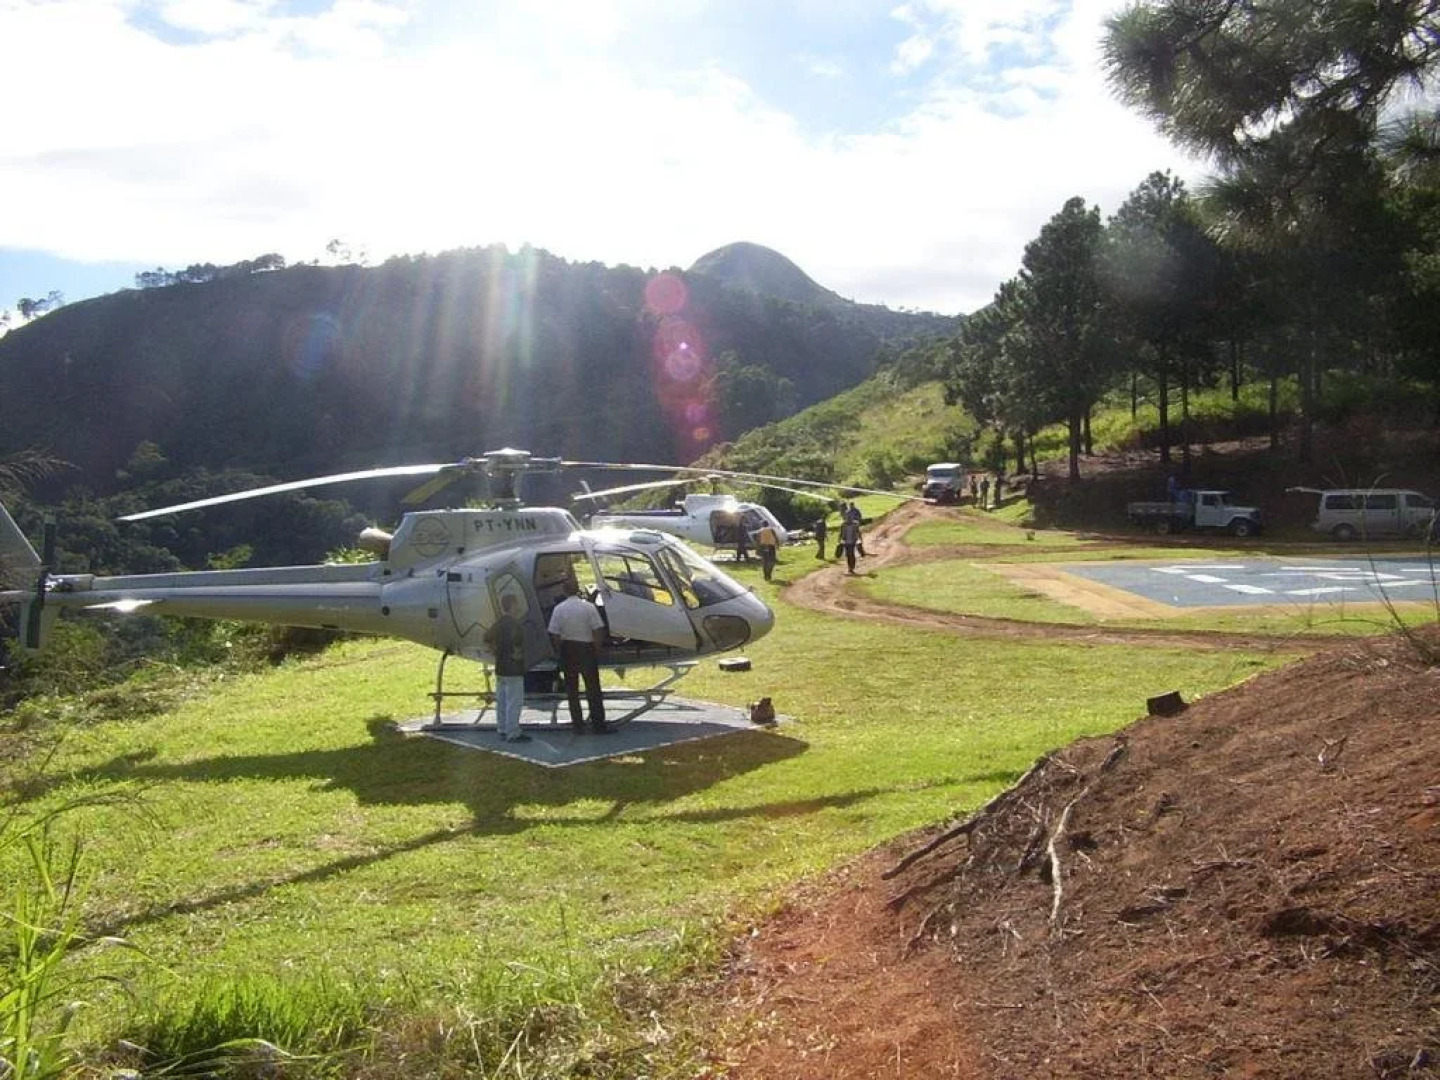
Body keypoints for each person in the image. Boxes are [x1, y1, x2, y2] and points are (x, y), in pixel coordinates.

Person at [546, 578, 610, 734]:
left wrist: (559, 649)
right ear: (578, 590)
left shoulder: (559, 609)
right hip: (586, 647)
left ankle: (578, 725)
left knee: (572, 690)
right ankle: (598, 724)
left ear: (564, 591)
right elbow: (598, 629)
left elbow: (554, 632)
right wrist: (596, 648)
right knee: (593, 689)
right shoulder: (588, 607)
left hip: (568, 648)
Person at [484, 593, 530, 743]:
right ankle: (513, 732)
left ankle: (502, 728)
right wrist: (518, 655)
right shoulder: (515, 624)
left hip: (501, 666)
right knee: (514, 701)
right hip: (513, 669)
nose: (518, 606)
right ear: (511, 605)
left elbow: (487, 639)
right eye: (516, 603)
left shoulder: (499, 623)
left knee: (502, 700)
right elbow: (517, 643)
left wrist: (495, 653)